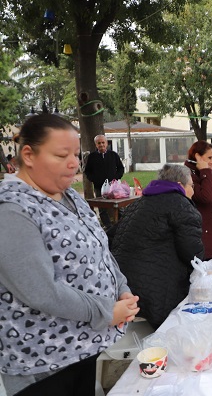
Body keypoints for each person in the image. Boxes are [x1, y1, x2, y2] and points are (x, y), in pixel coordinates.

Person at [0, 114, 139, 396]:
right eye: (62, 155)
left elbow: (100, 248)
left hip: (82, 347)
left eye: (76, 154)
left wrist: (121, 288)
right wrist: (104, 311)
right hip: (43, 363)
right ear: (28, 155)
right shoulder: (12, 208)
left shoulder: (69, 195)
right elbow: (40, 291)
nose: (74, 163)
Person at [109, 164, 204, 329]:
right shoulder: (181, 204)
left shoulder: (137, 204)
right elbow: (193, 255)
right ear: (181, 186)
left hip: (123, 288)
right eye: (192, 186)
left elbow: (111, 237)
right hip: (156, 293)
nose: (194, 191)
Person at [84, 134, 125, 227]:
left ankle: (122, 225)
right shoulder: (92, 157)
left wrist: (116, 178)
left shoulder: (113, 155)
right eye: (99, 143)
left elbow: (120, 168)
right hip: (99, 187)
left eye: (103, 142)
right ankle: (108, 227)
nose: (101, 145)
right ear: (96, 145)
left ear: (106, 143)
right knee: (102, 208)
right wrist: (94, 180)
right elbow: (87, 171)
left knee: (118, 206)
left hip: (114, 186)